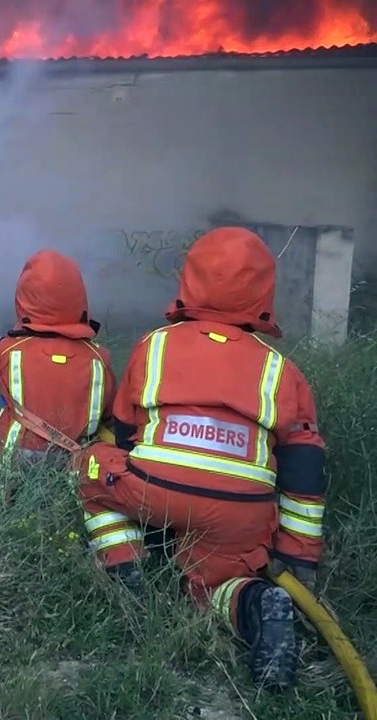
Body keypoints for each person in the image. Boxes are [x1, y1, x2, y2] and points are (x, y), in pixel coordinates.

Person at [77, 226, 326, 689]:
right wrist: (300, 555)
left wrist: (151, 496)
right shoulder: (281, 370)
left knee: (91, 464)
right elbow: (305, 470)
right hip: (241, 512)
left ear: (189, 282)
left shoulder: (155, 345)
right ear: (263, 292)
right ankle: (251, 603)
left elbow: (127, 431)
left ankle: (128, 566)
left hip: (157, 491)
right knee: (213, 584)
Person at [0, 249, 116, 492]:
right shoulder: (99, 358)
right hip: (73, 464)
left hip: (13, 461)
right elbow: (110, 413)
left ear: (24, 299)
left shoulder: (8, 351)